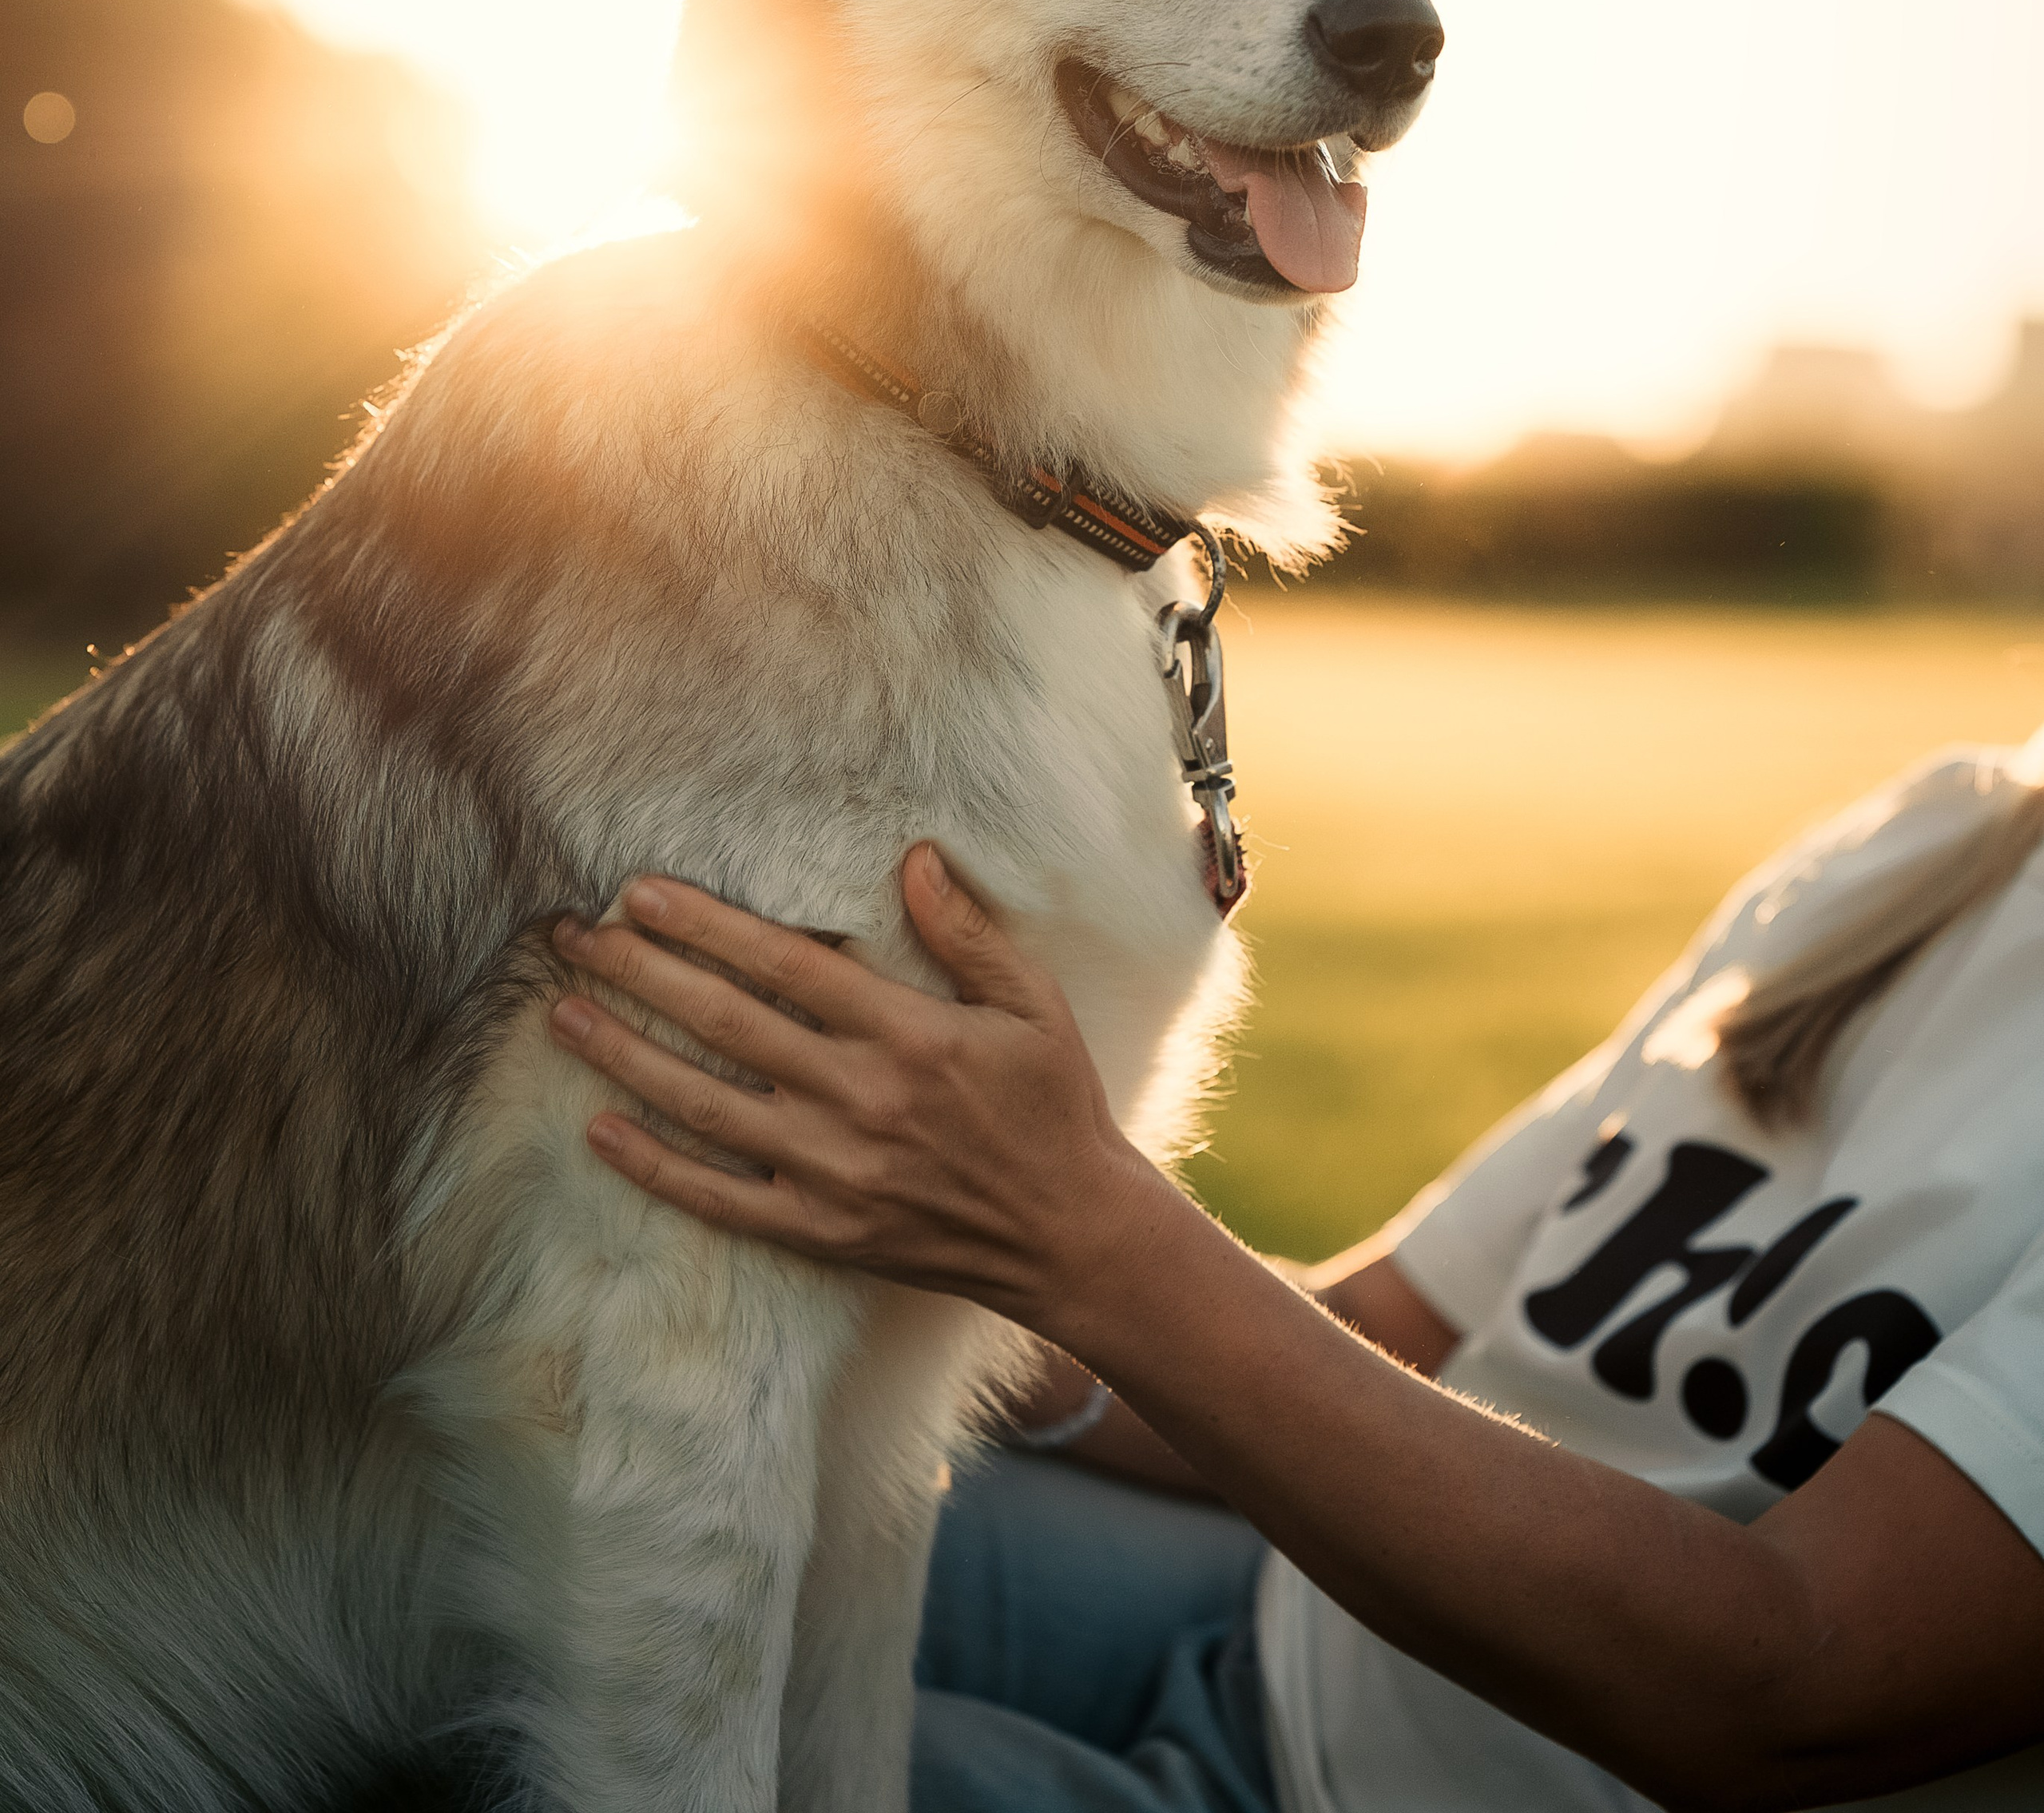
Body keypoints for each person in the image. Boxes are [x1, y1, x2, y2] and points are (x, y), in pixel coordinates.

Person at [548, 733, 2044, 1811]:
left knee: (473, 1750)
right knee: (539, 1544)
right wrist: (911, 1251)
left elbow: (1790, 1688)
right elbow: (1378, 1337)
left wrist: (1068, 1228)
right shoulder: (1945, 834)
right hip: (1278, 1607)